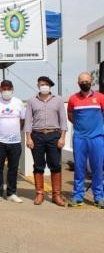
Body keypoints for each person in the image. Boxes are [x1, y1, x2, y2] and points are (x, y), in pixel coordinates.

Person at [24, 76, 67, 206]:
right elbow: (27, 120)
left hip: (54, 135)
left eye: (46, 84)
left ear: (50, 86)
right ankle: (39, 194)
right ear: (38, 86)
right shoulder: (32, 101)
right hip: (37, 135)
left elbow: (63, 120)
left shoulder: (58, 100)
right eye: (41, 84)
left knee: (55, 164)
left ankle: (56, 195)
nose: (43, 86)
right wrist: (28, 138)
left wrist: (62, 137)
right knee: (38, 165)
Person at [67, 72, 104, 208]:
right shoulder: (73, 99)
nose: (84, 83)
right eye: (82, 81)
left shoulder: (100, 97)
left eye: (87, 81)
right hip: (80, 138)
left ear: (91, 82)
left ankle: (99, 197)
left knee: (97, 168)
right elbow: (70, 115)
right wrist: (81, 127)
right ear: (78, 83)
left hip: (97, 138)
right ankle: (78, 196)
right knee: (79, 168)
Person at [0, 80, 25, 204]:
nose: (6, 91)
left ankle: (11, 193)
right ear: (0, 89)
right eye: (4, 88)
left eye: (8, 88)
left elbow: (22, 120)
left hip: (15, 142)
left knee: (13, 168)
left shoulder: (18, 102)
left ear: (12, 89)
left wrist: (13, 130)